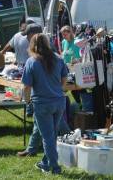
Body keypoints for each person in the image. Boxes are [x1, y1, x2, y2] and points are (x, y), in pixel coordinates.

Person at [21, 33, 68, 174]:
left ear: (32, 45)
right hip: (59, 101)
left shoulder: (32, 61)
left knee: (48, 137)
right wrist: (59, 88)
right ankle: (45, 162)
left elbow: (26, 86)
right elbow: (65, 77)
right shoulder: (58, 58)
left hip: (42, 103)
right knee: (51, 135)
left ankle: (54, 167)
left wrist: (27, 101)